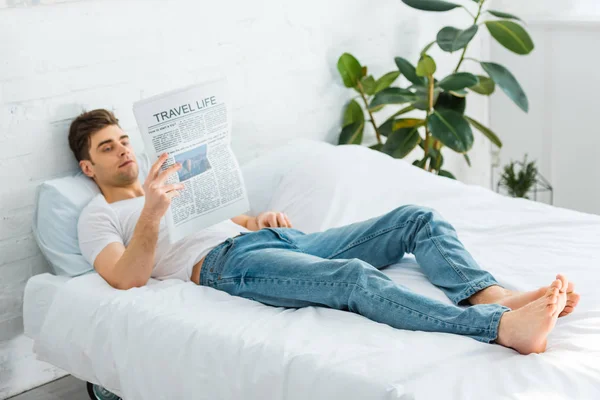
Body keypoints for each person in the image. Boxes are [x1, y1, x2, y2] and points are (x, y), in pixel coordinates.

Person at [70, 109, 580, 355]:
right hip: (228, 266)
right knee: (352, 278)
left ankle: (493, 296)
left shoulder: (170, 180)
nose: (123, 151)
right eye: (107, 148)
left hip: (269, 241)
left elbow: (236, 220)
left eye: (122, 141)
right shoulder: (98, 216)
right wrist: (153, 213)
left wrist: (258, 219)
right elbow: (126, 278)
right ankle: (495, 327)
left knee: (414, 218)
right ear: (88, 167)